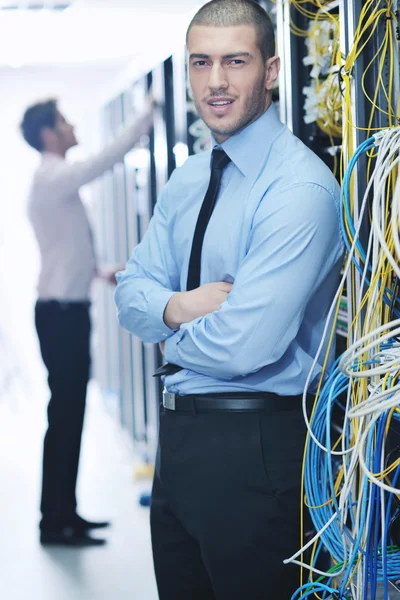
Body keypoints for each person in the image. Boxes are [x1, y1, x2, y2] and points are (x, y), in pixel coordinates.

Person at [115, 0, 344, 597]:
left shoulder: (298, 187)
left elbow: (247, 345)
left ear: (270, 71)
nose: (215, 82)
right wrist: (184, 306)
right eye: (201, 63)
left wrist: (161, 323)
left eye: (235, 62)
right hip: (180, 450)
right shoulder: (189, 178)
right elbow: (129, 295)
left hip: (257, 451)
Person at [21, 97, 153, 547]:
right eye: (64, 120)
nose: (73, 123)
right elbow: (103, 160)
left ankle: (64, 514)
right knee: (65, 416)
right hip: (61, 314)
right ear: (48, 134)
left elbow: (64, 245)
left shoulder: (51, 180)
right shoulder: (53, 174)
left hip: (63, 308)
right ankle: (55, 521)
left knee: (68, 416)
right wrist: (146, 116)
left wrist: (98, 271)